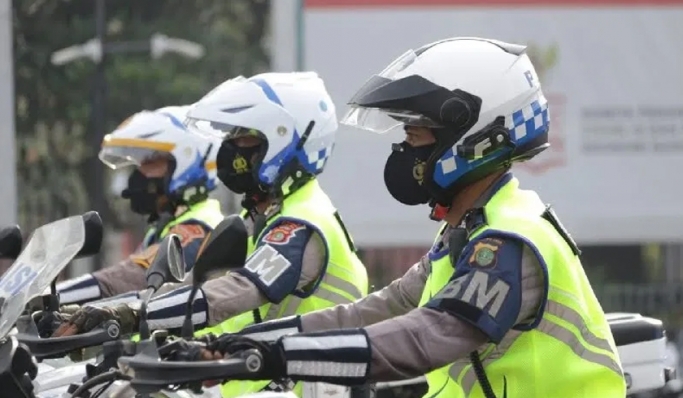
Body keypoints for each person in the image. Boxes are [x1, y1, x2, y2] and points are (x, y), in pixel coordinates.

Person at [181, 38, 627, 398]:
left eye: (414, 135)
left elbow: (426, 337)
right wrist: (237, 344)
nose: (403, 151)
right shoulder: (467, 231)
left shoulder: (511, 241)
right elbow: (374, 311)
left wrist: (281, 356)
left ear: (475, 138)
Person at [52, 72, 369, 397]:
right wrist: (102, 312)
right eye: (230, 137)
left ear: (284, 141)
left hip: (305, 388)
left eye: (243, 138)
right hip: (252, 382)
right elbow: (194, 288)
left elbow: (239, 290)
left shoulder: (302, 222)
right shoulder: (259, 219)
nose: (230, 149)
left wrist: (136, 315)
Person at [55, 106, 224, 306]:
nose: (139, 174)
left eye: (151, 161)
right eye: (139, 164)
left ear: (187, 163)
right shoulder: (162, 229)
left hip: (200, 337)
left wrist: (55, 297)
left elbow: (132, 277)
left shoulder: (199, 226)